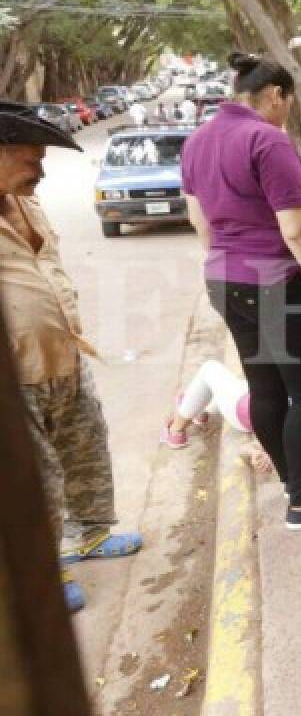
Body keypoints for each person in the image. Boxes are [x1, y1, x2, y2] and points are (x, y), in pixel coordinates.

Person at [181, 51, 301, 531]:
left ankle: (290, 485)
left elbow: (200, 222)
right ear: (277, 95)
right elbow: (298, 231)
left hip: (225, 279)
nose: (288, 112)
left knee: (265, 387)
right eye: (289, 102)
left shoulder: (197, 141)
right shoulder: (268, 140)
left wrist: (229, 267)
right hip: (279, 281)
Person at [0, 101, 143, 613]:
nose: (39, 170)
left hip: (63, 353)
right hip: (16, 371)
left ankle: (90, 533)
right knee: (34, 479)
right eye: (30, 160)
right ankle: (40, 575)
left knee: (85, 445)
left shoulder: (25, 203)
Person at [161, 359, 301, 466]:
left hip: (244, 407)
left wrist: (261, 453)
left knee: (210, 369)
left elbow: (248, 447)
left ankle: (177, 429)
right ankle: (198, 408)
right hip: (252, 400)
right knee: (229, 384)